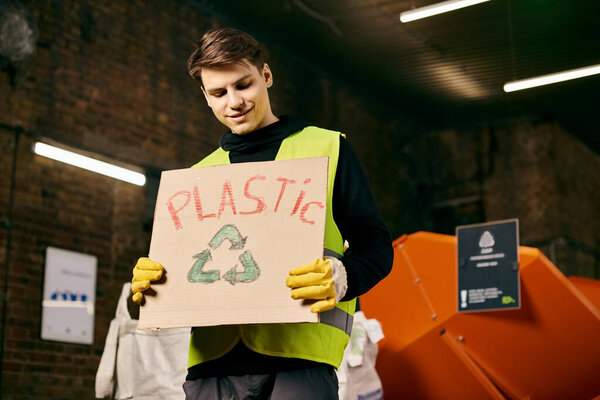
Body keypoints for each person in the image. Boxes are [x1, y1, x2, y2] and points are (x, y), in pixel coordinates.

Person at [131, 27, 393, 400]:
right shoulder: (195, 179)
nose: (234, 101)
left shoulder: (327, 148)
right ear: (205, 97)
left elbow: (378, 247)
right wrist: (149, 286)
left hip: (300, 362)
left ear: (266, 76)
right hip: (211, 368)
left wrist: (345, 276)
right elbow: (176, 281)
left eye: (244, 85)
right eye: (219, 93)